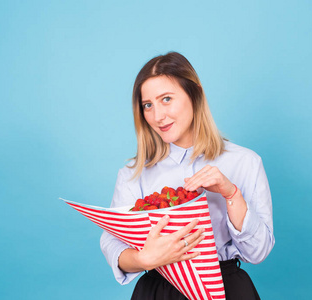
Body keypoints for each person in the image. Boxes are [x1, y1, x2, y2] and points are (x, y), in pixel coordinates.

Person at [100, 52, 274, 300]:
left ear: (195, 93)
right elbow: (112, 243)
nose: (157, 116)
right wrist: (142, 258)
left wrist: (231, 193)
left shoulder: (245, 162)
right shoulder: (132, 173)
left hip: (227, 290)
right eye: (148, 105)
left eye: (167, 99)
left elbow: (258, 252)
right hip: (157, 291)